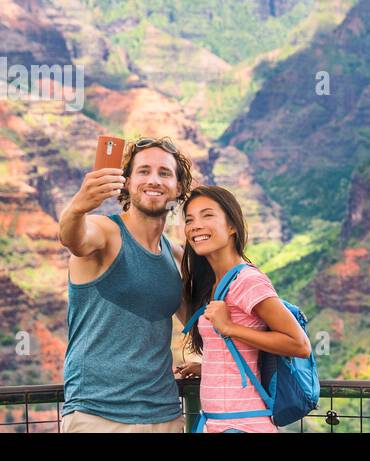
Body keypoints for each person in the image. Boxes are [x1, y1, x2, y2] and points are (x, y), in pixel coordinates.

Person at [58, 137, 194, 433]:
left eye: (165, 173)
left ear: (179, 188)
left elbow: (201, 326)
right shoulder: (105, 233)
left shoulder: (176, 257)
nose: (154, 180)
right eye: (143, 171)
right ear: (127, 182)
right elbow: (73, 238)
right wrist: (77, 208)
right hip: (99, 415)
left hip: (166, 415)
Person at [174, 185, 311, 433]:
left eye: (207, 215)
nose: (195, 225)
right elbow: (240, 353)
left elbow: (299, 344)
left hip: (243, 423)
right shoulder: (215, 283)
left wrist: (229, 327)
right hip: (215, 421)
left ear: (232, 227)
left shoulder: (247, 280)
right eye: (190, 219)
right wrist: (209, 369)